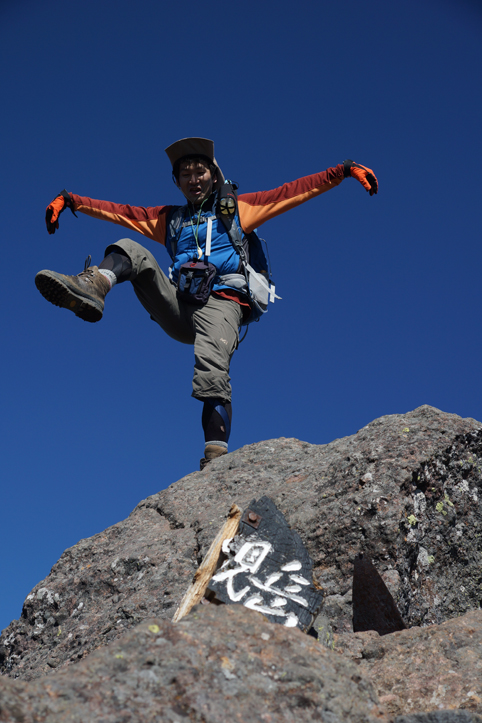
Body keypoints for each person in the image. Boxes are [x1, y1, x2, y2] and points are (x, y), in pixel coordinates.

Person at [36, 137, 378, 469]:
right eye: (185, 174)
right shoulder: (170, 219)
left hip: (221, 302)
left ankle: (214, 461)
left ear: (214, 175)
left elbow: (292, 192)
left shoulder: (238, 210)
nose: (193, 179)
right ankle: (92, 288)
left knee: (212, 365)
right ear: (177, 181)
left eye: (199, 171)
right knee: (129, 246)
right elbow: (120, 212)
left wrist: (342, 171)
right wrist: (72, 201)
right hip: (180, 306)